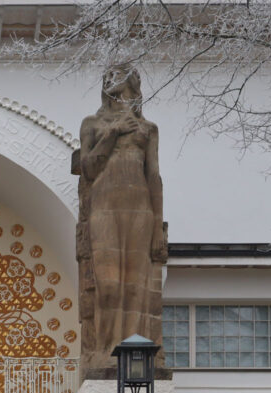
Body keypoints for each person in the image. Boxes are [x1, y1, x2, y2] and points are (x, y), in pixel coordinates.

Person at [77, 65, 165, 374]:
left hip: (139, 207)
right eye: (111, 79)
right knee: (108, 285)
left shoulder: (148, 129)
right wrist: (113, 133)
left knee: (134, 287)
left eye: (122, 79)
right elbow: (88, 167)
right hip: (104, 204)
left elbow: (154, 176)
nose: (116, 85)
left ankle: (135, 353)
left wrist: (158, 226)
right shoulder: (93, 124)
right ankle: (103, 351)